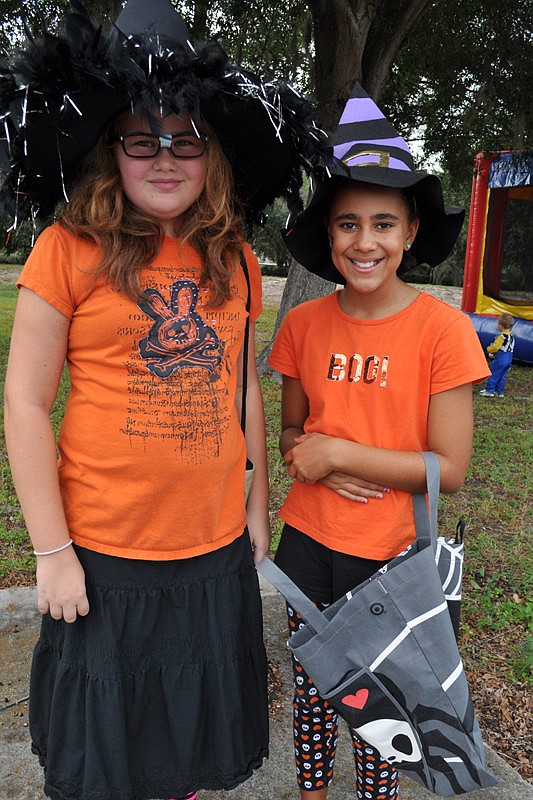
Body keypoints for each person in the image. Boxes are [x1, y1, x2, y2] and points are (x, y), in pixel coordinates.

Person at [1, 2, 322, 799]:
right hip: (103, 554)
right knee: (105, 752)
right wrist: (52, 554)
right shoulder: (67, 250)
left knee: (183, 740)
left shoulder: (236, 258)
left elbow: (242, 385)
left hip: (209, 549)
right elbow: (23, 403)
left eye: (186, 138)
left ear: (211, 152)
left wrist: (255, 504)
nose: (166, 157)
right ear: (113, 150)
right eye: (142, 140)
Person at [267, 84, 490, 800]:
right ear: (328, 236)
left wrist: (342, 456)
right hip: (305, 540)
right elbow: (291, 437)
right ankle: (310, 792)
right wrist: (313, 457)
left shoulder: (442, 330)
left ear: (410, 231)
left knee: (377, 709)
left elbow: (447, 469)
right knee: (312, 691)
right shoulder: (303, 326)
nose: (364, 242)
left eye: (383, 224)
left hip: (391, 555)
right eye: (347, 225)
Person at [479, 313, 515, 397]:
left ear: (501, 326)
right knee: (502, 375)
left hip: (501, 358)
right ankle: (499, 391)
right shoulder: (511, 336)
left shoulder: (501, 337)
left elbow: (495, 347)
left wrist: (488, 349)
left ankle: (489, 390)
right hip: (509, 358)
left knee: (494, 373)